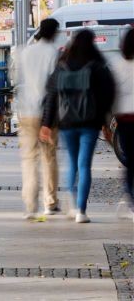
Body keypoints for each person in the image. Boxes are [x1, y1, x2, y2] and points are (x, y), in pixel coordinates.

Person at [41, 29, 116, 224]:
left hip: (66, 123)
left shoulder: (61, 66)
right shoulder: (98, 66)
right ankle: (82, 212)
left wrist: (46, 124)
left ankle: (73, 206)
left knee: (72, 163)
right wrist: (105, 123)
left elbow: (51, 96)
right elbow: (107, 96)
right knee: (85, 166)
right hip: (90, 124)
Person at [13, 18, 61, 219]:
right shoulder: (54, 54)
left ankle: (30, 204)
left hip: (26, 111)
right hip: (47, 112)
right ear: (54, 33)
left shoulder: (24, 52)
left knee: (28, 157)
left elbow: (15, 80)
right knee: (49, 156)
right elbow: (55, 86)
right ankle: (50, 202)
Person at [111, 28, 134, 219]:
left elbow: (113, 94)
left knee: (130, 161)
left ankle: (130, 199)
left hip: (125, 118)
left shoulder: (117, 66)